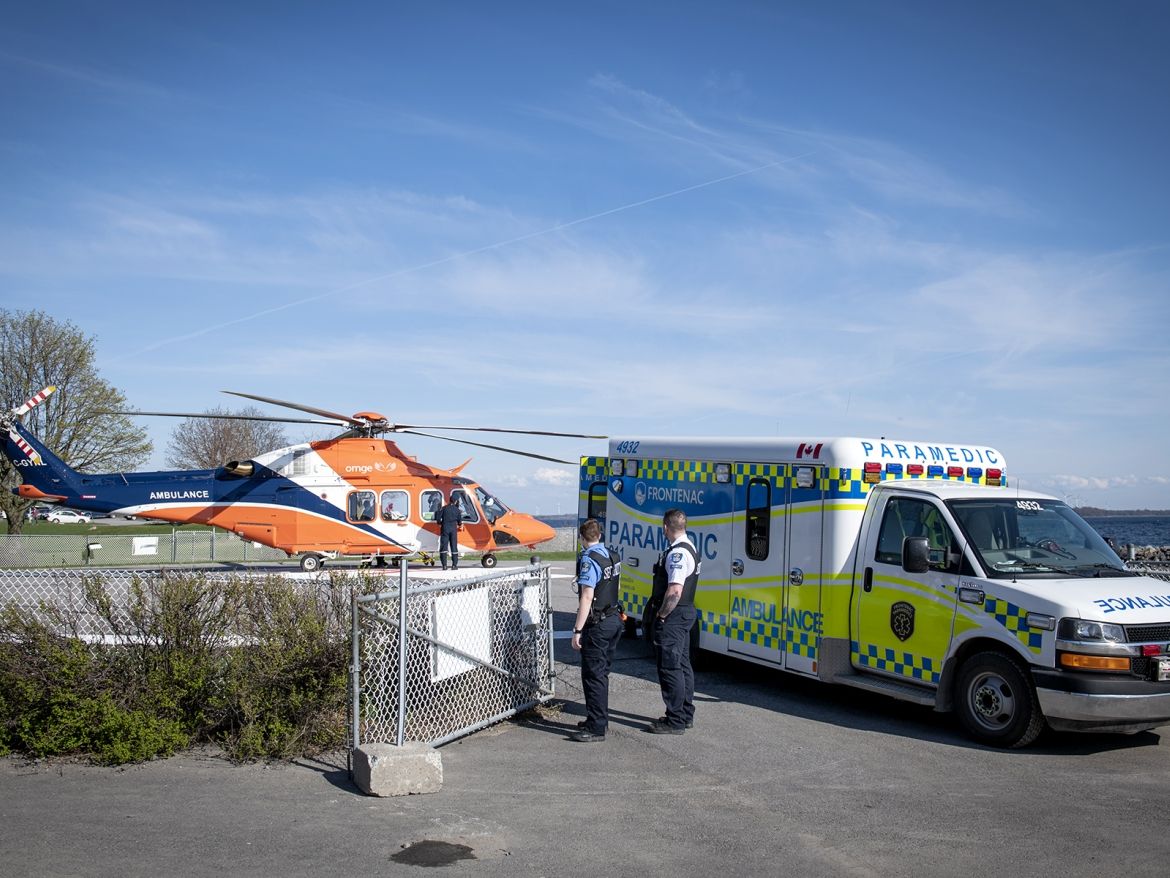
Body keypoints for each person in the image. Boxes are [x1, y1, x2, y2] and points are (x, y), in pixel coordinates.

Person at [568, 519, 624, 743]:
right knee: (602, 674)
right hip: (613, 619)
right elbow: (615, 586)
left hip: (598, 624)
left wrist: (577, 630)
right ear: (599, 535)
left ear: (582, 538)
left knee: (593, 675)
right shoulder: (612, 555)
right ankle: (598, 718)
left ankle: (596, 726)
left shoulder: (589, 561)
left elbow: (587, 596)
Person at [647, 508, 699, 734]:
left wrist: (661, 616)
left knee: (670, 667)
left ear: (665, 527)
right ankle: (685, 713)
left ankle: (675, 720)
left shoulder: (677, 554)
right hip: (686, 613)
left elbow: (675, 591)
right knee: (683, 665)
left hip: (675, 616)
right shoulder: (691, 546)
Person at [436, 493, 464, 570]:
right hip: (453, 529)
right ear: (456, 501)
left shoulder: (444, 508)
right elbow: (460, 522)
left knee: (444, 547)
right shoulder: (458, 510)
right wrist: (459, 524)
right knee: (454, 546)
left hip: (445, 528)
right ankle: (454, 565)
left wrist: (440, 523)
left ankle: (444, 565)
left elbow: (438, 519)